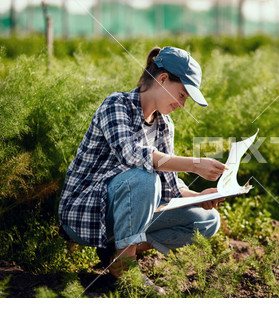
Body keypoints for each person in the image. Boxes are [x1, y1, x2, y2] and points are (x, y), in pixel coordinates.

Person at [58, 47, 227, 294]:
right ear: (162, 79)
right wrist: (194, 164)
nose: (182, 105)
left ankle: (117, 252)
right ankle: (125, 268)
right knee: (144, 178)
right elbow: (133, 155)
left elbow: (170, 187)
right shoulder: (116, 105)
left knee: (207, 220)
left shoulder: (164, 124)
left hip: (125, 212)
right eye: (182, 95)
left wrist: (202, 198)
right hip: (85, 214)